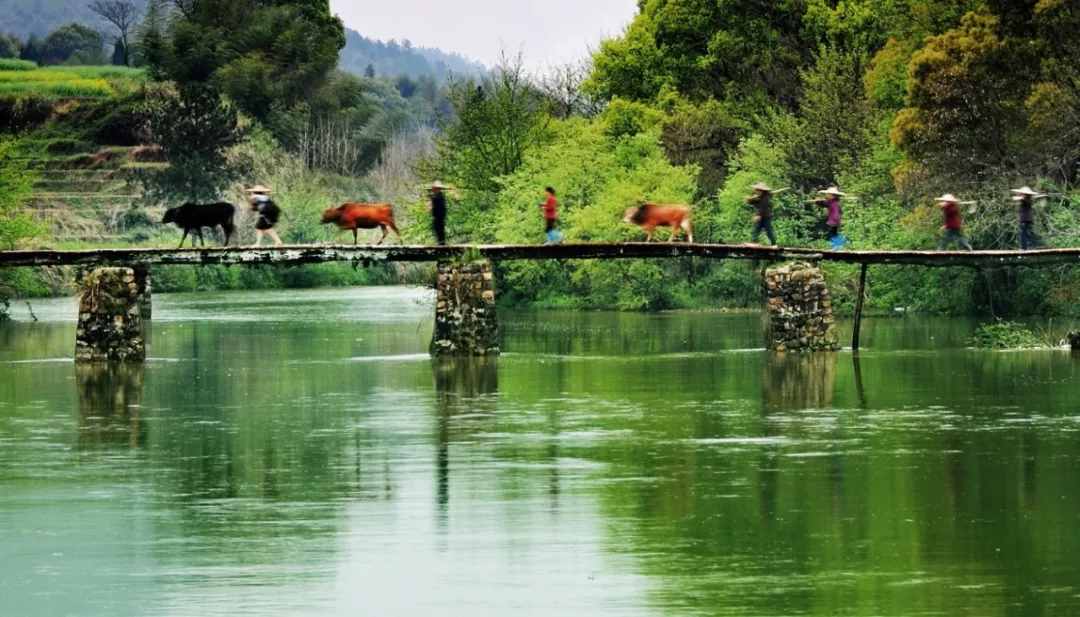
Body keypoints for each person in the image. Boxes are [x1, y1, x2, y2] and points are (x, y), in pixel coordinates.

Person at [1011, 186, 1046, 250]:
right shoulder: (1027, 199)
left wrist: (1022, 197)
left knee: (1023, 235)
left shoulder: (1026, 199)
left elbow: (1015, 198)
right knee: (1027, 234)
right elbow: (1015, 198)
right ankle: (1031, 247)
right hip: (1027, 219)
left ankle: (1024, 248)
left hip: (1025, 220)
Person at [429, 181, 449, 246]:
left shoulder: (439, 196)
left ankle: (441, 244)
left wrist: (431, 198)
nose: (433, 189)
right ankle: (440, 243)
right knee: (438, 230)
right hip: (438, 217)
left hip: (439, 217)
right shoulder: (438, 195)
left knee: (440, 231)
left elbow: (439, 206)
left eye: (434, 188)